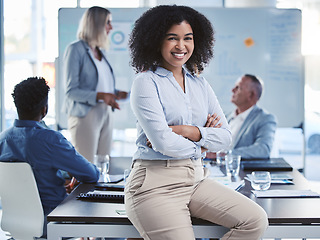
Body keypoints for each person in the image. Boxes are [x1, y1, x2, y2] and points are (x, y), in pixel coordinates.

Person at [124, 5, 268, 240]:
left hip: (197, 180)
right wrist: (202, 145)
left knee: (254, 221)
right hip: (155, 186)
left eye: (187, 38)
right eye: (173, 38)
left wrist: (186, 131)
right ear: (155, 40)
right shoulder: (145, 82)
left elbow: (225, 138)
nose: (181, 46)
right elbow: (163, 144)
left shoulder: (200, 84)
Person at [0, 77, 100, 237]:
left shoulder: (2, 140)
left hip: (15, 222)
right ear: (44, 110)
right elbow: (92, 175)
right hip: (53, 221)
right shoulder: (51, 140)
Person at [63, 6, 128, 163]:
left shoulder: (100, 52)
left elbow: (98, 85)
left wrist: (115, 93)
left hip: (105, 112)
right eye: (108, 23)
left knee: (103, 162)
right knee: (86, 164)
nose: (111, 27)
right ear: (96, 24)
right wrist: (102, 96)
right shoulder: (75, 49)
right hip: (85, 115)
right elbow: (71, 91)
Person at [227, 74, 277, 159]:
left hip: (241, 171)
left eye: (238, 88)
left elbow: (263, 150)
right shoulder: (226, 117)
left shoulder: (265, 119)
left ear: (251, 95)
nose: (232, 90)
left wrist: (226, 154)